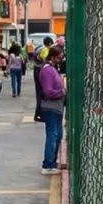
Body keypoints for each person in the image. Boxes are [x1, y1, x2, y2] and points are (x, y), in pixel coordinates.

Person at [38, 46, 66, 175]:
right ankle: (48, 164)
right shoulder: (48, 71)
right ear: (53, 56)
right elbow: (48, 91)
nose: (60, 59)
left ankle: (52, 162)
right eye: (59, 57)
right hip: (51, 107)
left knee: (58, 135)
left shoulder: (53, 69)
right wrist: (61, 92)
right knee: (53, 135)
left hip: (57, 107)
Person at [31, 36, 54, 123]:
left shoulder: (40, 48)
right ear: (50, 43)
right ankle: (41, 115)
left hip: (36, 70)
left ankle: (38, 114)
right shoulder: (46, 50)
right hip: (41, 71)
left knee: (39, 94)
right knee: (43, 94)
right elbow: (45, 58)